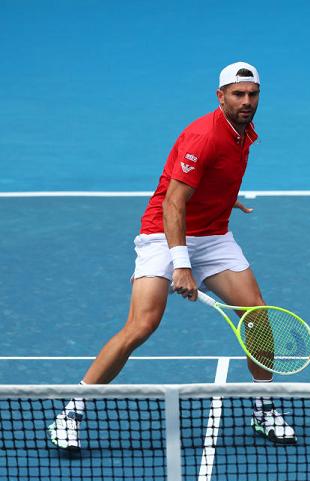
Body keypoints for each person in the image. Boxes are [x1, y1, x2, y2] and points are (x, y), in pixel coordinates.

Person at [48, 61, 296, 450]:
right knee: (142, 325)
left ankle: (264, 408)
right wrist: (181, 264)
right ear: (221, 96)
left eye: (252, 94)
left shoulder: (244, 134)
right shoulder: (204, 136)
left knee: (257, 315)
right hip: (163, 234)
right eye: (237, 94)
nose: (246, 102)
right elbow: (173, 204)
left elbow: (211, 180)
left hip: (212, 234)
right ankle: (71, 412)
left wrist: (223, 202)